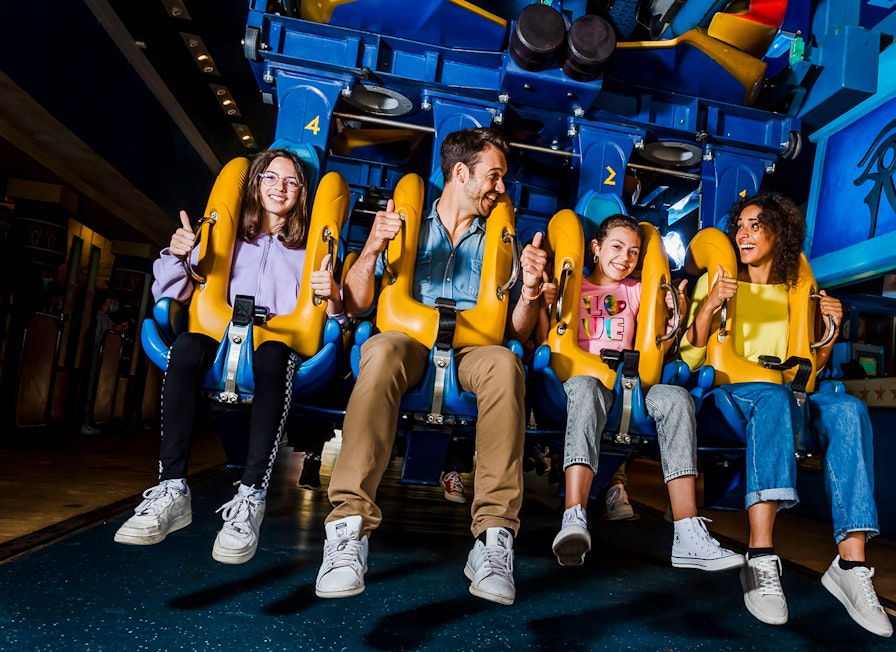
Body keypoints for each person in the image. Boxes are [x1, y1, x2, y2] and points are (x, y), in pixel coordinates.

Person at [314, 128, 547, 606]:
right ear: (461, 173)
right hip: (409, 341)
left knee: (507, 364)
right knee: (379, 351)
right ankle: (348, 528)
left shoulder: (502, 238)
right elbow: (356, 304)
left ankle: (494, 537)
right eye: (494, 176)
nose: (501, 187)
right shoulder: (406, 222)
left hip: (471, 349)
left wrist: (528, 290)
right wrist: (373, 247)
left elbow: (517, 331)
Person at [114, 149, 346, 565]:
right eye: (270, 177)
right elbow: (169, 293)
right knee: (187, 345)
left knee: (273, 353)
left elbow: (337, 319)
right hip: (221, 341)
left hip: (276, 349)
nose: (280, 187)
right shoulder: (225, 239)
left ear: (301, 193)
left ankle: (251, 494)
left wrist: (334, 298)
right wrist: (178, 255)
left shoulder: (312, 250)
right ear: (255, 184)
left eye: (291, 181)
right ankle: (171, 488)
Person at [679, 193, 892, 637]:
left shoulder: (798, 290)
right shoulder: (718, 281)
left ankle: (850, 564)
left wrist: (830, 329)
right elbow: (691, 356)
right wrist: (709, 305)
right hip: (729, 399)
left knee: (848, 409)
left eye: (755, 225)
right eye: (740, 225)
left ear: (779, 232)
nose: (743, 234)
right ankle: (760, 557)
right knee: (774, 398)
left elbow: (812, 367)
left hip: (786, 396)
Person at [550, 214, 743, 572]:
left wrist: (674, 314)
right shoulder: (573, 286)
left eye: (634, 252)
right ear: (595, 248)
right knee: (587, 388)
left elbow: (661, 346)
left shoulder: (637, 291)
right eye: (617, 247)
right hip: (584, 381)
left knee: (677, 399)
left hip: (631, 385)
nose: (625, 258)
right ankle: (574, 515)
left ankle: (687, 530)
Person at [80, 289, 129, 435]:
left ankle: (88, 421)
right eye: (114, 301)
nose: (115, 304)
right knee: (89, 389)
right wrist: (113, 330)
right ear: (107, 300)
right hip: (96, 359)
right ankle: (84, 422)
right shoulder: (99, 318)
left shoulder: (104, 318)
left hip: (102, 362)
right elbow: (97, 340)